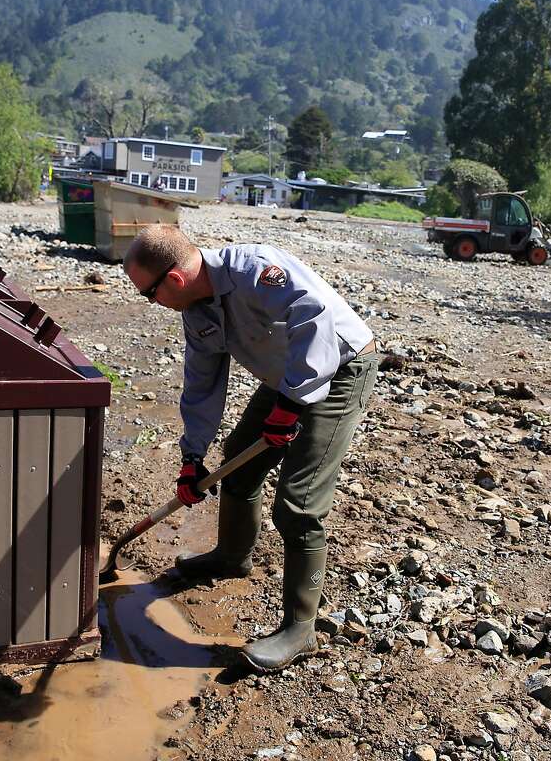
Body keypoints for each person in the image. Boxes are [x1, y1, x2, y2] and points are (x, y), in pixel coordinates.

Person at [122, 225, 377, 672]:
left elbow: (313, 317)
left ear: (174, 280)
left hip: (339, 369)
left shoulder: (256, 271)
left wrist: (291, 405)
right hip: (287, 377)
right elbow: (202, 386)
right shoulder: (196, 311)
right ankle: (231, 557)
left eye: (149, 294)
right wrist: (191, 458)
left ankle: (301, 629)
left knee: (298, 506)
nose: (153, 304)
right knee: (239, 466)